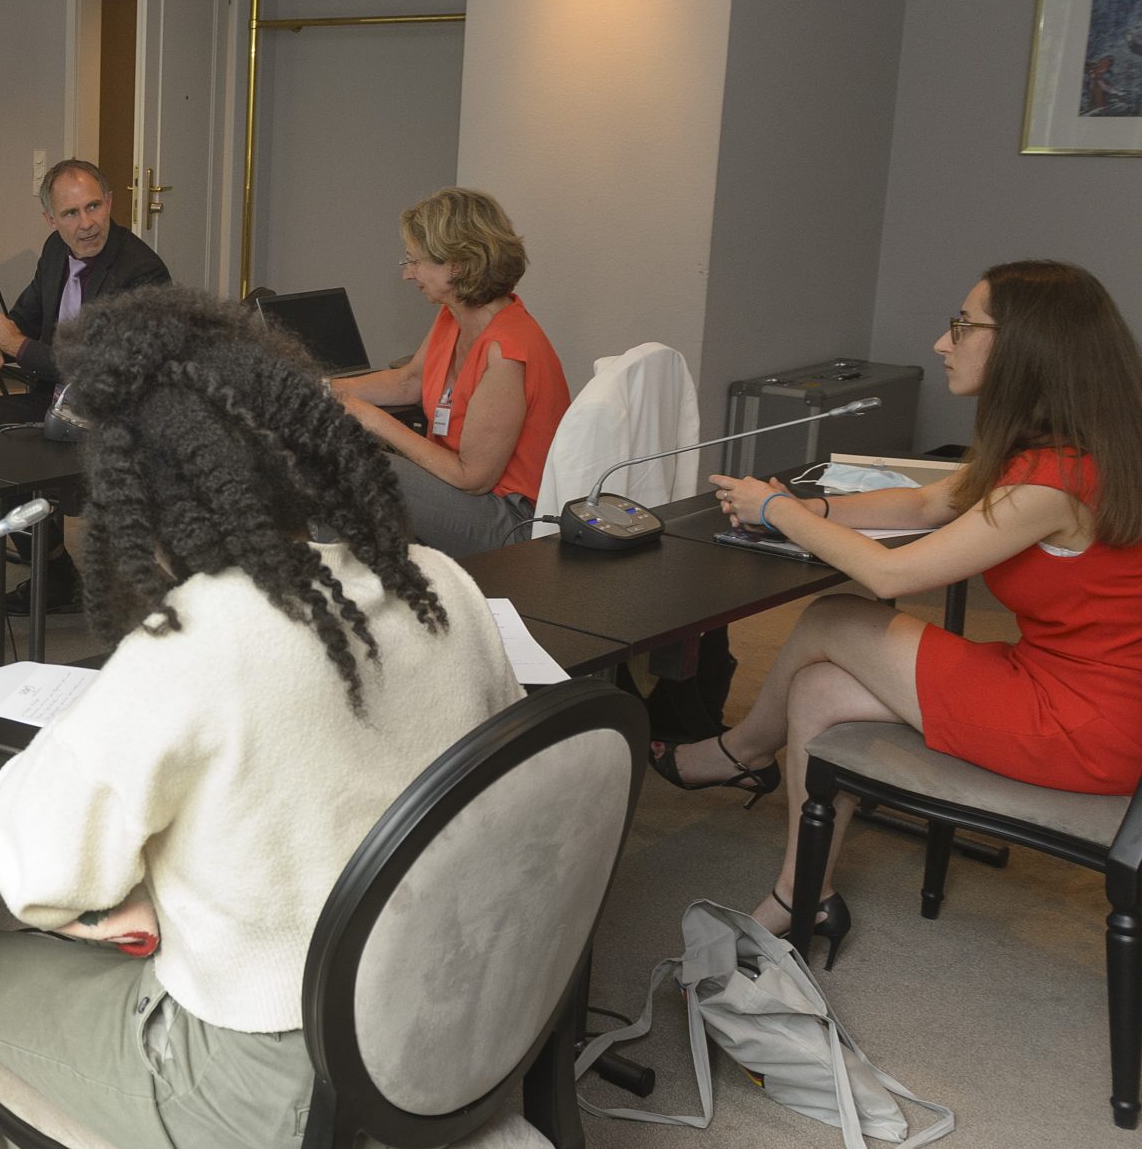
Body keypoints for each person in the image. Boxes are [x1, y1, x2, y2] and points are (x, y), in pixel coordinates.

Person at [0, 287, 521, 1149]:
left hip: (280, 1122)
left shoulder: (196, 643)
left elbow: (35, 876)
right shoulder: (443, 585)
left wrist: (77, 758)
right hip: (470, 1053)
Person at [661, 260, 1142, 961]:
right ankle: (803, 894)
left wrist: (780, 513)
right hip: (1067, 684)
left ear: (1024, 347)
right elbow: (924, 503)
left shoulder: (1054, 482)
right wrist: (809, 506)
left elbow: (893, 573)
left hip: (1082, 723)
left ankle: (742, 751)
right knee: (818, 690)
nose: (944, 343)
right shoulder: (1068, 448)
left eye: (963, 326)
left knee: (835, 617)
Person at [0, 159, 168, 619]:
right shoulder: (54, 252)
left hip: (113, 415)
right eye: (71, 213)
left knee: (0, 444)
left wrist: (19, 347)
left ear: (110, 203)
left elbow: (104, 370)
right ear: (51, 219)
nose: (86, 224)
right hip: (60, 402)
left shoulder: (140, 273)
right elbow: (23, 316)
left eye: (93, 207)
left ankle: (43, 575)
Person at [332, 187, 571, 559]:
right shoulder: (454, 315)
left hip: (513, 521)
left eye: (415, 261)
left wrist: (369, 417)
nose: (407, 274)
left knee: (350, 461)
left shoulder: (507, 351)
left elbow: (471, 477)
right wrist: (320, 388)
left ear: (456, 265)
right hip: (461, 495)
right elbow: (408, 381)